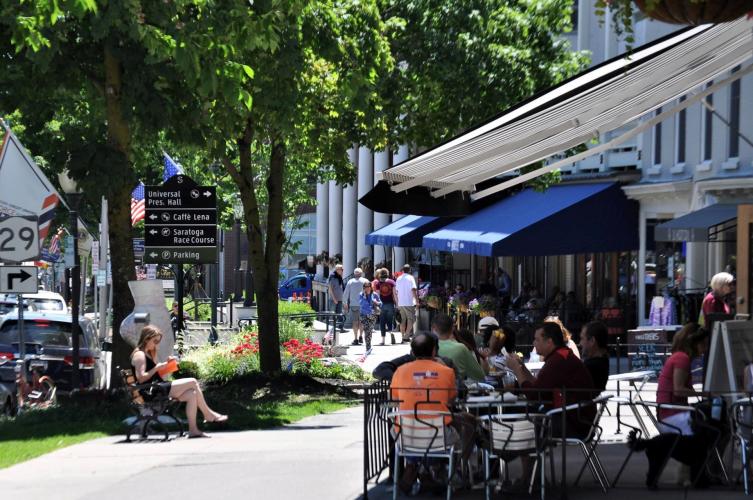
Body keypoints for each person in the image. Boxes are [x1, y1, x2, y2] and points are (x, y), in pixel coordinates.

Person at [628, 324, 712, 489]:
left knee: (705, 427)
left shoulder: (678, 356)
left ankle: (691, 475)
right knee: (707, 432)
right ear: (693, 343)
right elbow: (679, 390)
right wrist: (704, 395)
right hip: (671, 414)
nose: (705, 348)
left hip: (668, 412)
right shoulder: (683, 359)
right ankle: (695, 476)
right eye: (703, 344)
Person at [390, 333, 475, 493]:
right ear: (435, 351)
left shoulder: (400, 371)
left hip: (407, 437)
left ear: (413, 352)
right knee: (466, 427)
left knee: (404, 428)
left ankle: (416, 467)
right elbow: (451, 400)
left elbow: (395, 400)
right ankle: (453, 470)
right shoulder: (447, 371)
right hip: (439, 437)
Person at [131, 325, 227, 438]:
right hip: (152, 392)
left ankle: (193, 430)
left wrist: (166, 366)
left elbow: (153, 376)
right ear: (146, 339)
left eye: (158, 341)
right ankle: (207, 414)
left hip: (156, 388)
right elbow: (141, 378)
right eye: (155, 341)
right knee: (193, 381)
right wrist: (156, 368)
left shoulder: (147, 353)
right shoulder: (140, 355)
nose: (156, 344)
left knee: (192, 394)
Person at [505, 321, 597, 438]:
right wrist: (522, 367)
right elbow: (538, 386)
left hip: (574, 424)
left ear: (549, 342)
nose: (534, 343)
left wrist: (516, 370)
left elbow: (534, 395)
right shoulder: (560, 356)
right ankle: (520, 453)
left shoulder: (558, 360)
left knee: (522, 423)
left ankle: (502, 450)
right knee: (522, 413)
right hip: (575, 419)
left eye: (537, 340)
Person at [433, 313, 486, 381]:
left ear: (433, 328)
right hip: (454, 389)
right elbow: (480, 375)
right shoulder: (460, 348)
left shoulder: (427, 347)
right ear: (452, 329)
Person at [580, 321, 610, 391]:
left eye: (582, 338)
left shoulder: (591, 366)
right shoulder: (602, 360)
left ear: (592, 341)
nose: (580, 343)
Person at [343, 267, 369, 345]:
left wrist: (345, 303)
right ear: (361, 274)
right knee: (362, 322)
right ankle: (361, 336)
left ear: (354, 274)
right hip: (363, 304)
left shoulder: (350, 282)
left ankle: (355, 338)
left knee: (355, 322)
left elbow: (346, 294)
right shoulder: (365, 281)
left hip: (353, 305)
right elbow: (369, 293)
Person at [395, 264, 419, 343]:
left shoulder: (398, 278)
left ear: (402, 270)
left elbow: (396, 291)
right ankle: (406, 336)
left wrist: (397, 301)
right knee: (411, 319)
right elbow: (413, 290)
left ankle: (403, 336)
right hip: (409, 302)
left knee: (403, 320)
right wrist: (417, 300)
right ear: (409, 270)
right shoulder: (410, 278)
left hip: (401, 302)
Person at [373, 268, 397, 345]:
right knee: (390, 321)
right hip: (390, 304)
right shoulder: (392, 282)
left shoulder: (378, 283)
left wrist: (377, 304)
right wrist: (397, 303)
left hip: (382, 305)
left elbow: (377, 295)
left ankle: (383, 340)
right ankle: (391, 334)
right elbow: (394, 294)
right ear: (387, 273)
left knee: (382, 322)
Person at [358, 281, 382, 352]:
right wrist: (365, 297)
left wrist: (376, 302)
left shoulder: (375, 294)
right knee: (366, 330)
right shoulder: (361, 294)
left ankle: (368, 345)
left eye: (368, 286)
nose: (367, 288)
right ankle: (368, 348)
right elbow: (362, 304)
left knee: (369, 331)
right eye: (365, 287)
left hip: (372, 316)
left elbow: (380, 304)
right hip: (364, 315)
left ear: (371, 287)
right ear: (363, 288)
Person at [327, 263, 346, 334]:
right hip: (333, 300)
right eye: (342, 269)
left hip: (340, 299)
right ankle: (329, 329)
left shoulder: (339, 277)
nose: (343, 271)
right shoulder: (332, 277)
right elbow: (330, 289)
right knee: (332, 314)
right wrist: (334, 299)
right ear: (337, 270)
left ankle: (341, 328)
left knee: (340, 314)